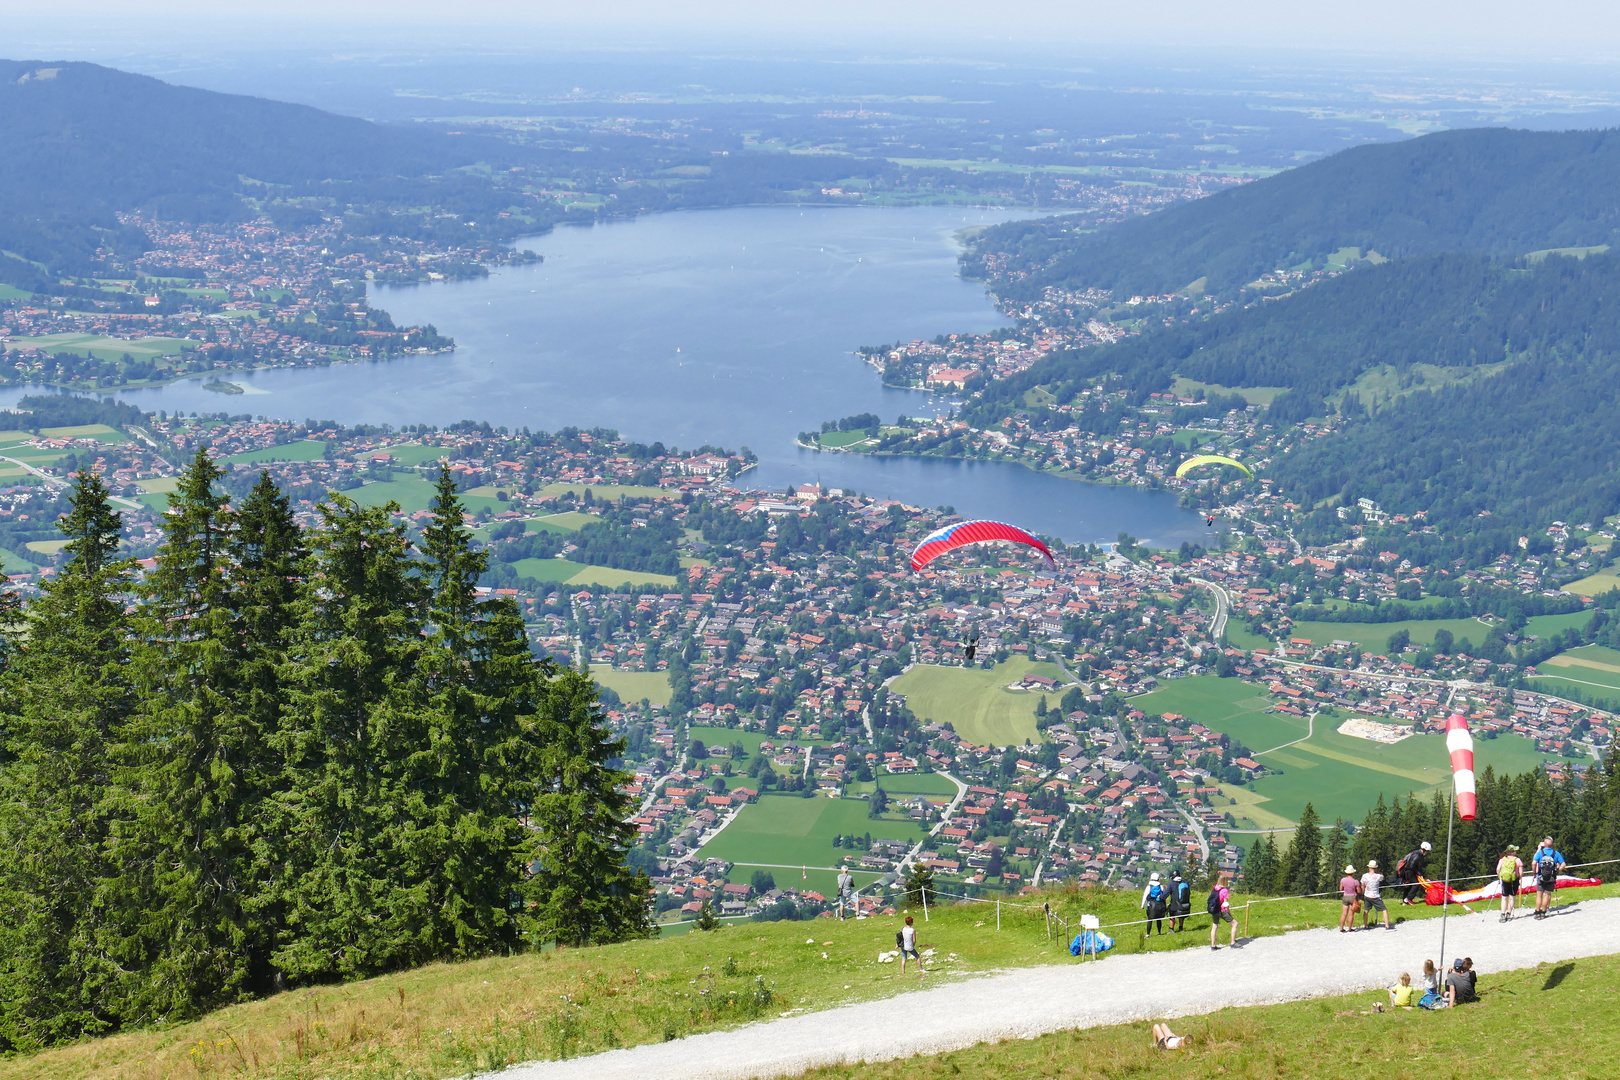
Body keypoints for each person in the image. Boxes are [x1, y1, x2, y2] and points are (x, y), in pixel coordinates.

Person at [1529, 836, 1566, 919]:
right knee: (1547, 894)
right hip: (1551, 877)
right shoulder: (1556, 853)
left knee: (1539, 894)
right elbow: (1563, 864)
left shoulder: (1540, 853)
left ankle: (1537, 911)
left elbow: (1533, 863)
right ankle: (1543, 911)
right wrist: (1557, 870)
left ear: (1544, 844)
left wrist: (1534, 872)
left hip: (1540, 876)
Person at [1361, 859, 1393, 931]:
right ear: (1375, 868)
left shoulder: (1364, 876)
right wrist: (1378, 871)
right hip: (1375, 896)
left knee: (1366, 910)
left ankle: (1365, 926)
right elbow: (1383, 877)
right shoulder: (1378, 876)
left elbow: (1362, 885)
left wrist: (1363, 894)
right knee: (1384, 909)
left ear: (1369, 867)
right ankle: (1387, 926)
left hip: (1367, 895)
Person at [1209, 872, 1237, 950]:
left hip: (1214, 910)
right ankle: (1232, 943)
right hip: (1222, 910)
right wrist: (1228, 911)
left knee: (1215, 926)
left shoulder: (1215, 888)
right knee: (1235, 924)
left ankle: (1213, 945)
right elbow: (1225, 903)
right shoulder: (1224, 890)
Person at [1496, 845, 1524, 922]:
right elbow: (1521, 872)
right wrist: (1520, 878)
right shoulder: (1517, 860)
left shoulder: (1502, 860)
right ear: (1512, 852)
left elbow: (1498, 869)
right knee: (1512, 897)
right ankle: (1509, 913)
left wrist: (1500, 877)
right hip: (1514, 880)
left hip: (1505, 879)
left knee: (1504, 897)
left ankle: (1502, 914)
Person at [1141, 872, 1169, 936]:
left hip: (1151, 905)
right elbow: (1164, 896)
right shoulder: (1161, 886)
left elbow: (1145, 896)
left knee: (1150, 920)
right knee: (1159, 919)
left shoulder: (1149, 887)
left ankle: (1148, 934)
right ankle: (1159, 932)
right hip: (1159, 905)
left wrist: (1142, 905)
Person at [1338, 863, 1361, 932]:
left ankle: (1341, 928)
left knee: (1344, 913)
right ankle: (1350, 928)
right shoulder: (1355, 881)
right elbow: (1359, 891)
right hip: (1353, 897)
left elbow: (1340, 889)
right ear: (1353, 873)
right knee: (1351, 914)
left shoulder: (1343, 880)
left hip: (1345, 896)